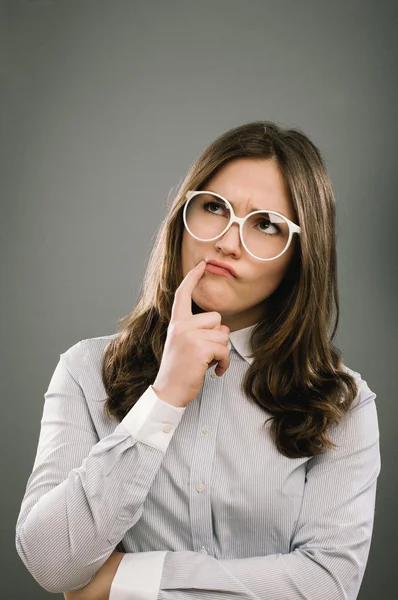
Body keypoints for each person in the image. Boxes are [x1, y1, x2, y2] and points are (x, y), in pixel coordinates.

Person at [15, 120, 381, 600]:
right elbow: (49, 562)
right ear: (182, 214)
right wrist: (162, 401)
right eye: (214, 208)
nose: (228, 241)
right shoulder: (87, 372)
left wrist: (126, 579)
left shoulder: (341, 402)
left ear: (301, 254)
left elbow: (328, 584)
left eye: (266, 224)